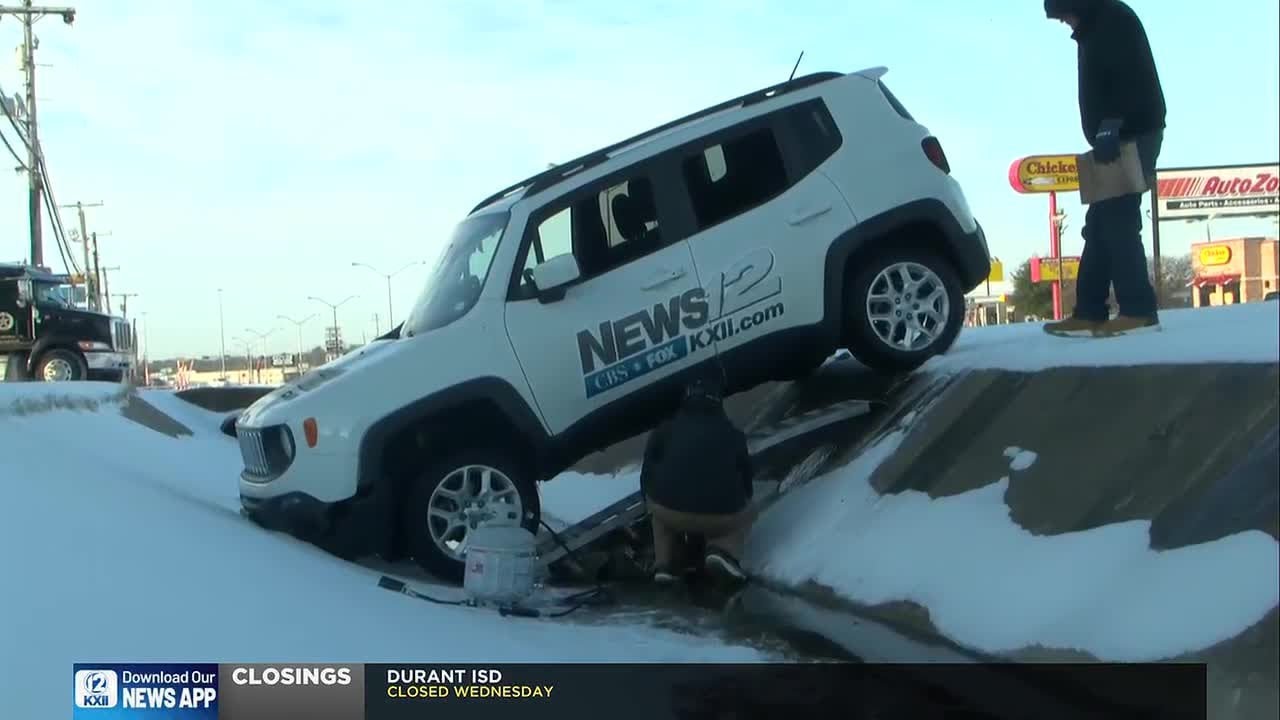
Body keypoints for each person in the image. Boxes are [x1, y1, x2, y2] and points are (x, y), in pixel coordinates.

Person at [1041, 0, 1168, 338]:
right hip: (1115, 135)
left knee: (1119, 220)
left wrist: (1112, 125)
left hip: (1131, 134)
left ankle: (1139, 310)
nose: (1065, 24)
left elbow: (1128, 79)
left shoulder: (1112, 22)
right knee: (1099, 224)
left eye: (1064, 16)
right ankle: (1089, 311)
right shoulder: (1095, 26)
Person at [639, 373, 755, 586]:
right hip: (719, 518)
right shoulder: (734, 434)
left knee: (658, 514)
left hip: (669, 512)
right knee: (749, 510)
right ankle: (722, 550)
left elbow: (647, 474)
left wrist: (649, 501)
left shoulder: (664, 429)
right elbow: (748, 485)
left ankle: (665, 564)